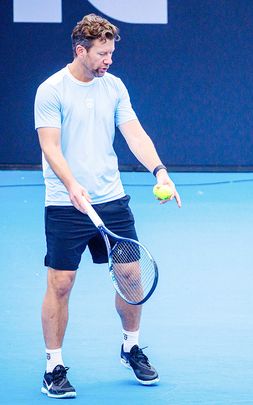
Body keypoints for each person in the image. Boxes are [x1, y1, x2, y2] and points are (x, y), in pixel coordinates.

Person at [34, 14, 181, 398]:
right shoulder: (51, 90)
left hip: (111, 199)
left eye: (111, 52)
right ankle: (53, 366)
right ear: (81, 51)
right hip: (65, 204)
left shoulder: (114, 87)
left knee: (131, 277)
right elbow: (50, 147)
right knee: (61, 283)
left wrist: (160, 172)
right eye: (102, 53)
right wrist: (72, 186)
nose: (108, 60)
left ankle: (130, 346)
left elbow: (134, 133)